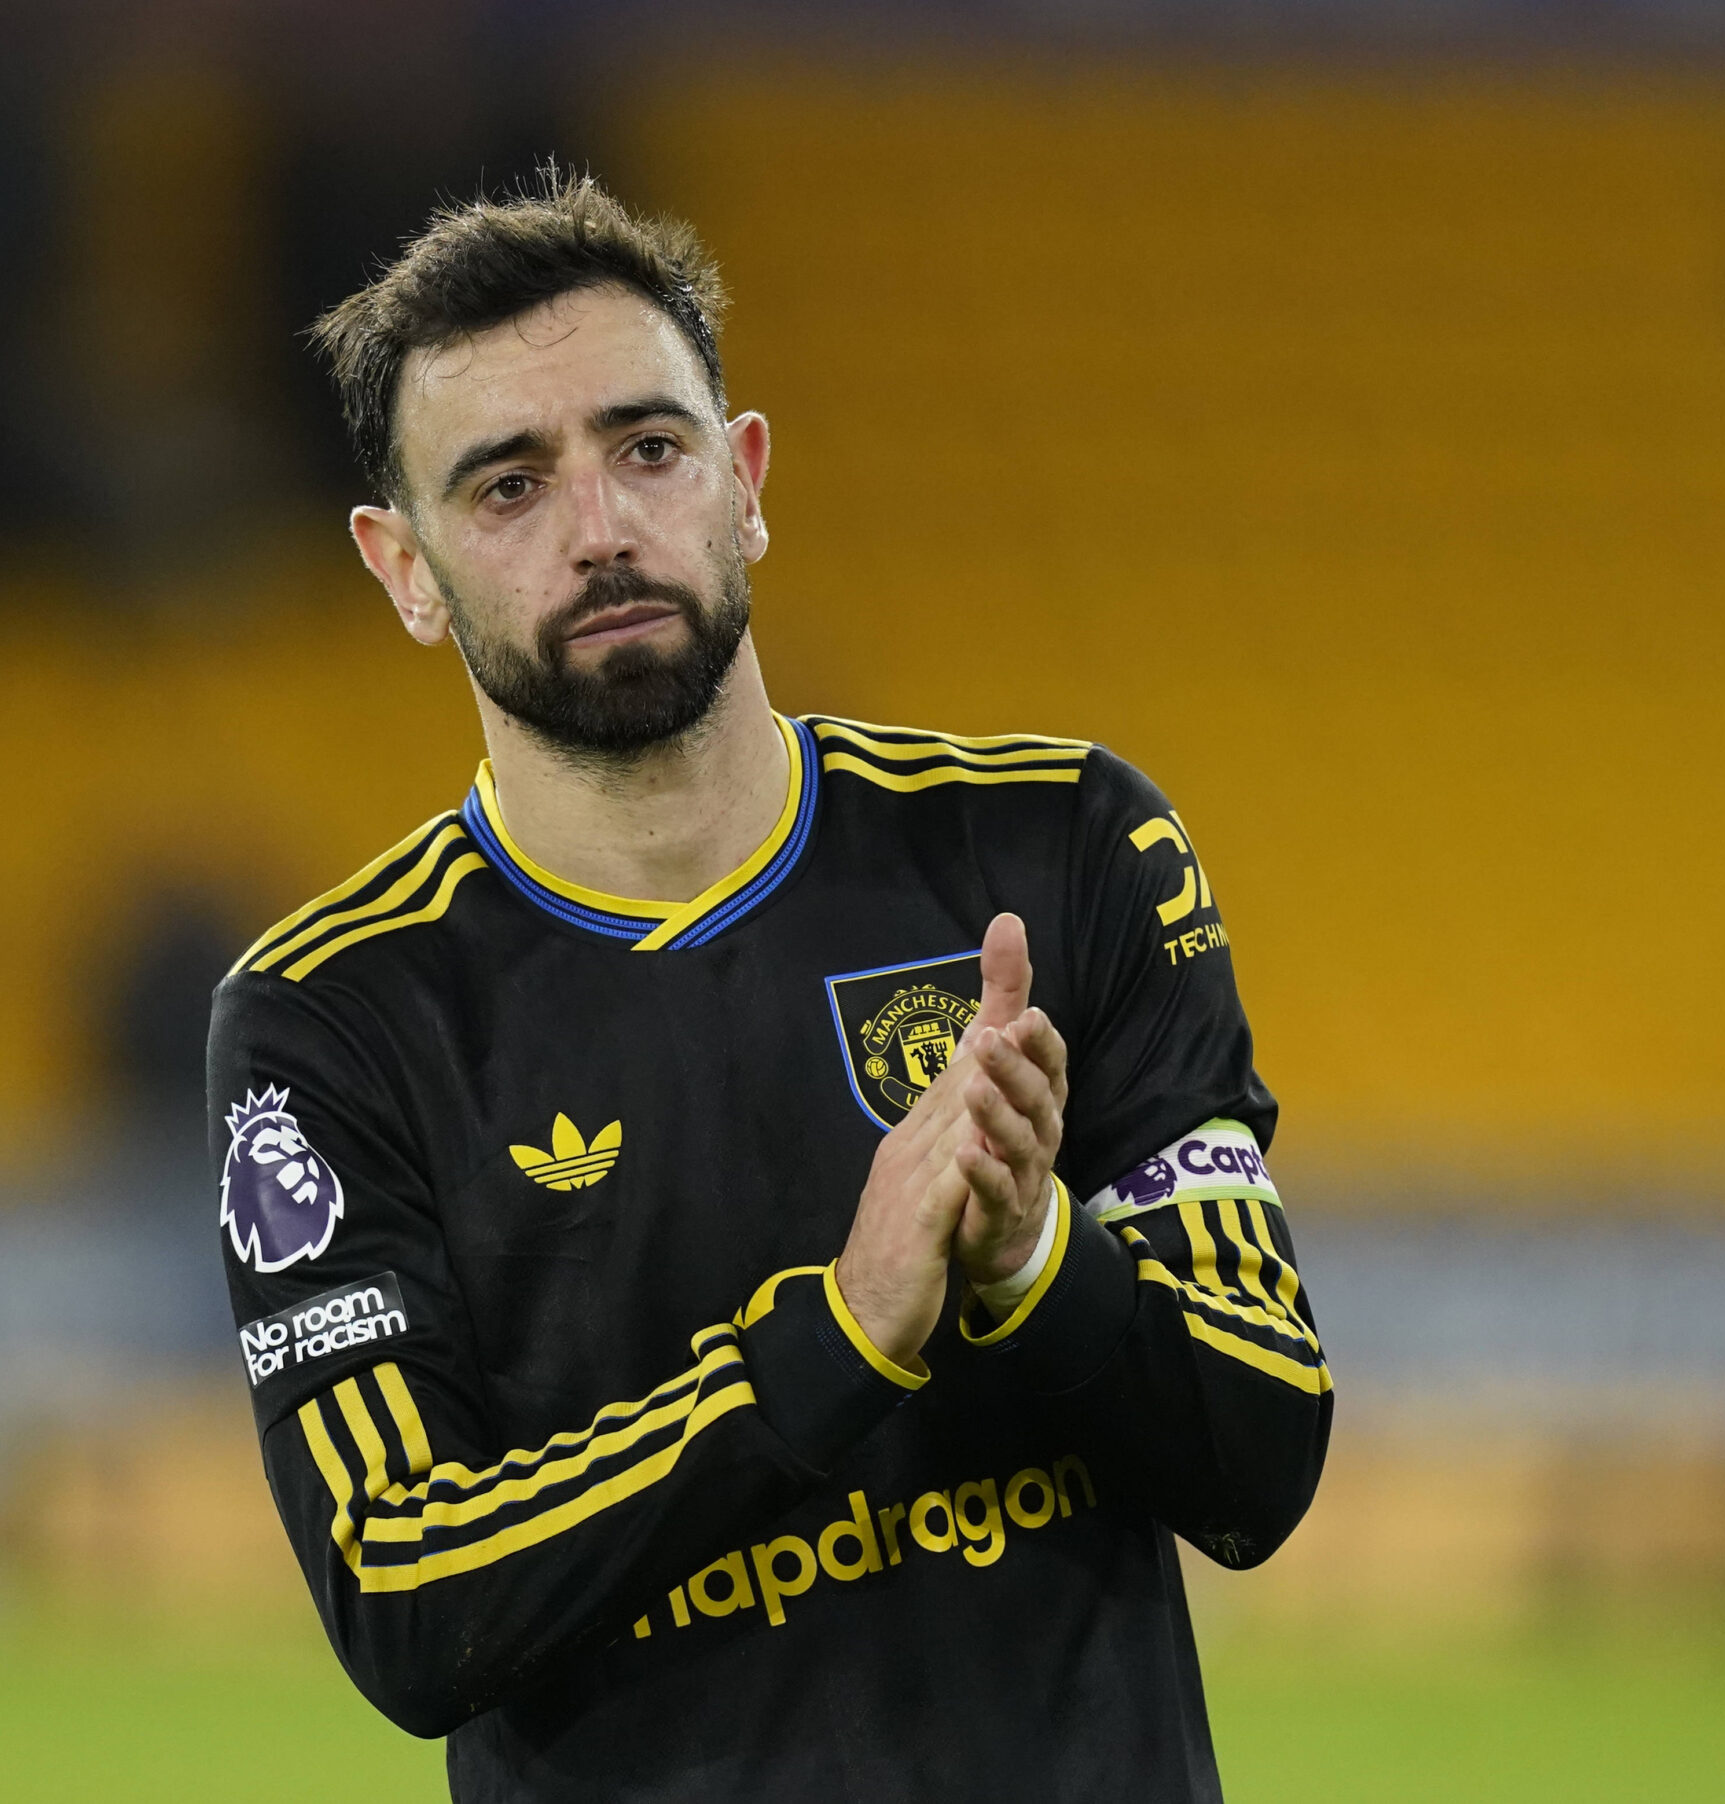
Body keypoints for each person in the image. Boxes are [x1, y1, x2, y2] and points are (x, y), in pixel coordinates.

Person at [206, 170, 1331, 1802]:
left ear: (742, 482)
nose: (600, 530)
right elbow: (404, 1589)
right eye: (509, 488)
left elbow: (1261, 1459)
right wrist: (840, 1337)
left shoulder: (1063, 847)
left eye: (646, 450)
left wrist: (1034, 1257)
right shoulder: (339, 1016)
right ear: (404, 568)